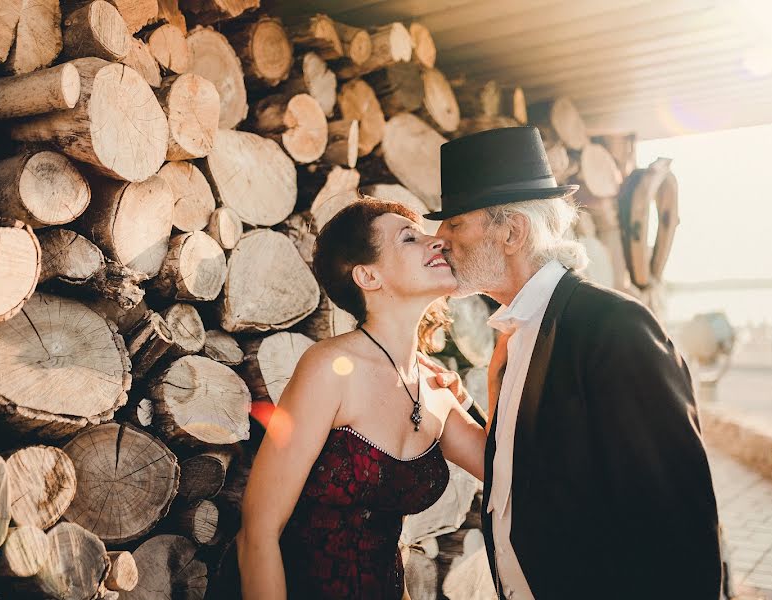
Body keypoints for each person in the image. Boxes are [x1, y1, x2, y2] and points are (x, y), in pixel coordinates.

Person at [426, 126, 723, 599]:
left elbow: (678, 521)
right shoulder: (513, 336)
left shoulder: (613, 328)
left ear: (511, 231)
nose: (438, 240)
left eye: (455, 224)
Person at [236, 200, 486, 599]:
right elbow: (258, 533)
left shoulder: (436, 389)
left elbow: (508, 469)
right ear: (369, 276)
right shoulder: (329, 368)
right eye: (410, 238)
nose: (435, 242)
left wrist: (496, 368)